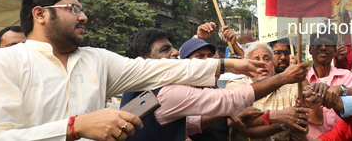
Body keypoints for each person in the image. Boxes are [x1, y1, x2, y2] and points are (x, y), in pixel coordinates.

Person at [0, 0, 263, 140]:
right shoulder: (3, 63)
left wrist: (225, 64)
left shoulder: (97, 60)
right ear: (40, 14)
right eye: (73, 9)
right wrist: (74, 127)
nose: (83, 17)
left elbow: (155, 69)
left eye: (82, 10)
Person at [121, 30, 308, 141]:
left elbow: (190, 124)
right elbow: (233, 99)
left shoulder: (140, 87)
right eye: (165, 50)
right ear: (144, 61)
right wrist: (284, 78)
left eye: (210, 56)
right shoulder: (166, 93)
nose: (174, 52)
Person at [227, 42, 320, 141]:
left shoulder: (289, 89)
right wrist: (280, 120)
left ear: (273, 64)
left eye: (267, 59)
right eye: (256, 60)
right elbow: (241, 125)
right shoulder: (235, 87)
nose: (263, 64)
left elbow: (315, 119)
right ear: (247, 66)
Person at [305, 32, 352, 140]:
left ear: (335, 51)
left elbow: (351, 109)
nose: (323, 48)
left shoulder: (345, 76)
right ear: (310, 50)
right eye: (318, 44)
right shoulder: (301, 78)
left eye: (328, 45)